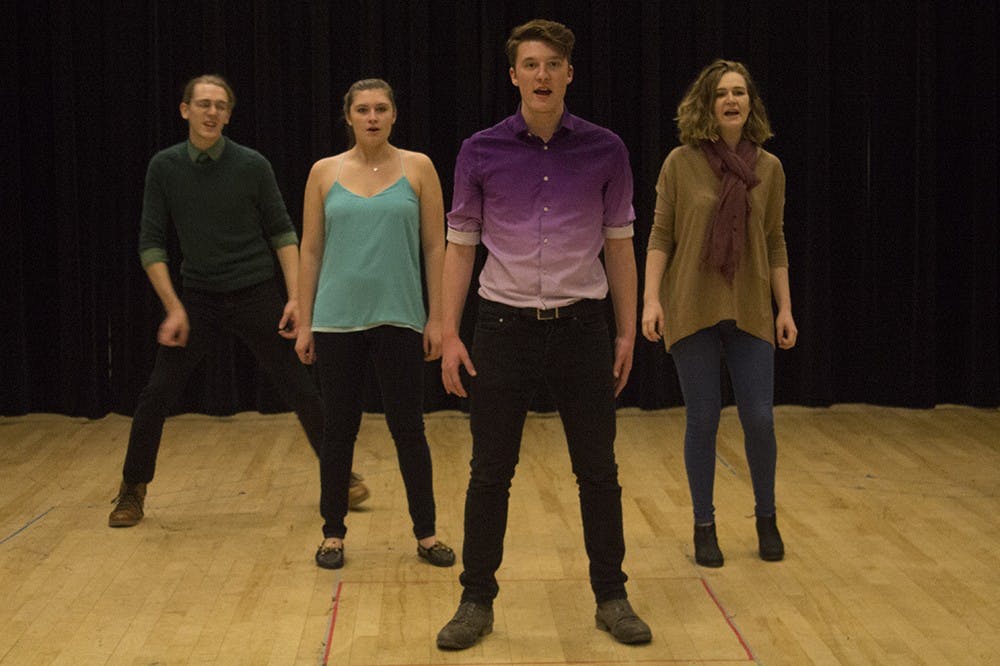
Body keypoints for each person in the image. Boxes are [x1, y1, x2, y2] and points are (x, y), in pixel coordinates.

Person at [435, 19, 651, 650]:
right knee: (488, 472)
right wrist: (450, 334)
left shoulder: (607, 149)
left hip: (582, 326)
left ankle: (611, 596)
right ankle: (476, 600)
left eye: (553, 64)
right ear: (513, 76)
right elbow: (459, 248)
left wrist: (626, 332)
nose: (542, 75)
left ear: (569, 74)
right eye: (530, 64)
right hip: (502, 326)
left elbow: (621, 245)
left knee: (598, 471)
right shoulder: (479, 151)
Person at [108, 74, 369, 528]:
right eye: (204, 104)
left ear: (229, 115)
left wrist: (295, 299)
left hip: (255, 293)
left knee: (301, 387)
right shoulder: (164, 167)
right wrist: (174, 307)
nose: (212, 113)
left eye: (221, 106)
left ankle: (339, 475)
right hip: (198, 299)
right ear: (185, 109)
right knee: (156, 393)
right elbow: (151, 243)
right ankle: (132, 489)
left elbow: (283, 232)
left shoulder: (252, 165)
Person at [641, 59, 798, 567]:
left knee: (759, 419)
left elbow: (774, 240)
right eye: (722, 94)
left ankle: (766, 517)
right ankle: (704, 525)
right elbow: (661, 235)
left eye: (740, 93)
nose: (732, 100)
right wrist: (651, 299)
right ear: (706, 104)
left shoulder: (769, 169)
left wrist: (786, 308)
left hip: (751, 305)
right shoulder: (680, 163)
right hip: (692, 304)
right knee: (703, 419)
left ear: (751, 103)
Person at [295, 78, 454, 571]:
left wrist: (439, 318)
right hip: (336, 321)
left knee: (409, 429)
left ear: (393, 115)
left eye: (380, 108)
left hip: (400, 317)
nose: (371, 117)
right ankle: (333, 534)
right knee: (339, 431)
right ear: (348, 116)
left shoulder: (420, 168)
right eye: (362, 109)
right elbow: (311, 248)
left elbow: (435, 246)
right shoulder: (324, 172)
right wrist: (304, 321)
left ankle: (426, 534)